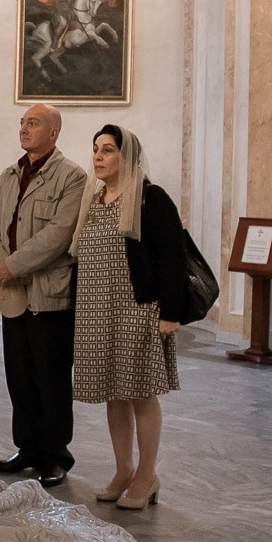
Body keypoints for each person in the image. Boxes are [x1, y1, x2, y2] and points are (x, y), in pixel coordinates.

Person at [70, 126, 188, 512]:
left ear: (127, 156)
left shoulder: (150, 199)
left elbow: (173, 258)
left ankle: (147, 475)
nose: (99, 157)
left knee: (139, 392)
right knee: (113, 393)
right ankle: (123, 469)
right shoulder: (94, 198)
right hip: (97, 310)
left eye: (107, 150)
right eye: (95, 150)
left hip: (137, 309)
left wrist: (170, 314)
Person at [0, 103, 88, 486]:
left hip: (49, 295)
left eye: (34, 123)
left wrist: (13, 265)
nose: (24, 129)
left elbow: (59, 235)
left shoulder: (72, 176)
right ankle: (26, 448)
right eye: (23, 123)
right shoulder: (9, 174)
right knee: (20, 375)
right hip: (13, 293)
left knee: (51, 377)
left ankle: (55, 456)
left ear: (53, 132)